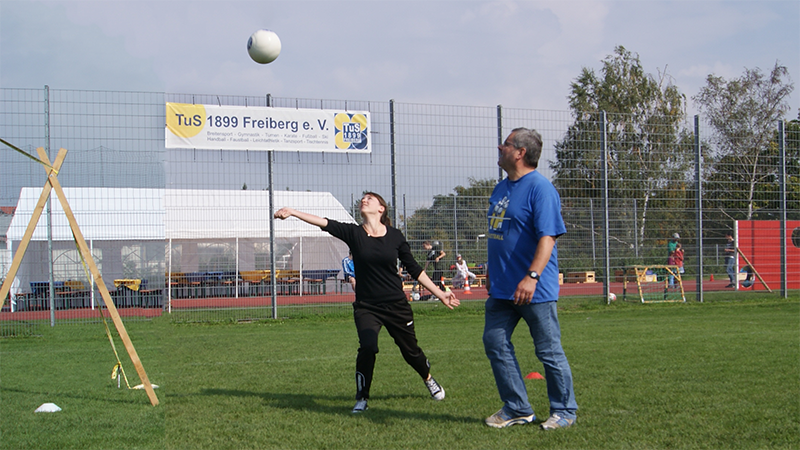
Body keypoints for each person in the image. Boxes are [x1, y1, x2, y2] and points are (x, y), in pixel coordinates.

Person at [274, 192, 459, 414]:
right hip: (367, 307)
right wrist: (292, 212)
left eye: (370, 198)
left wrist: (440, 294)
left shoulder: (395, 236)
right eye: (363, 198)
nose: (364, 200)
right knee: (368, 347)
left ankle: (428, 378)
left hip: (396, 306)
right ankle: (362, 397)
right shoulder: (354, 233)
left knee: (411, 352)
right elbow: (324, 223)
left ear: (381, 209)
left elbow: (415, 269)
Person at [483, 127, 578, 431]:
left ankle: (564, 410)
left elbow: (548, 238)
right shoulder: (500, 189)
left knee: (548, 351)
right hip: (501, 289)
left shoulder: (540, 188)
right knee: (495, 342)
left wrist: (532, 276)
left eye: (506, 145)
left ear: (520, 153)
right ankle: (517, 407)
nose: (500, 148)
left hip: (533, 289)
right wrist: (489, 271)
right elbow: (500, 236)